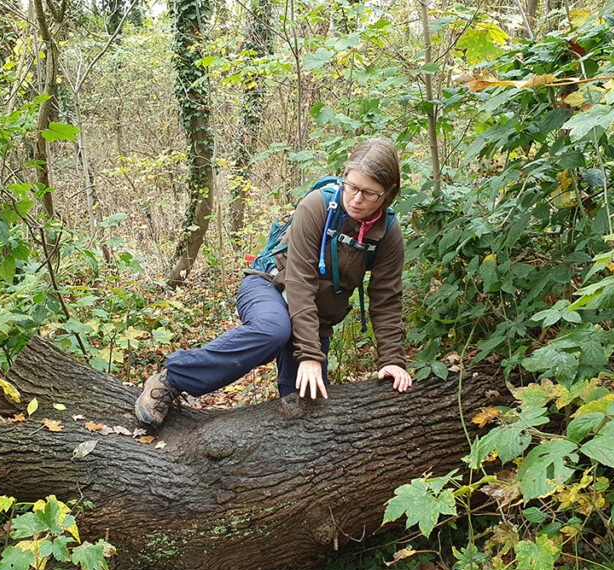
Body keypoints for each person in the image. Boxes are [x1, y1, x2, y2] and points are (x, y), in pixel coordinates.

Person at [134, 137, 412, 427]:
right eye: (352, 186)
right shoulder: (318, 206)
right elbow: (300, 281)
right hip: (270, 286)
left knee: (306, 409)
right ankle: (171, 380)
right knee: (273, 330)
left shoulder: (388, 233)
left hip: (313, 317)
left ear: (388, 193)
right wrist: (309, 354)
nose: (356, 199)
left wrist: (391, 359)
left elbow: (386, 299)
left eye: (369, 193)